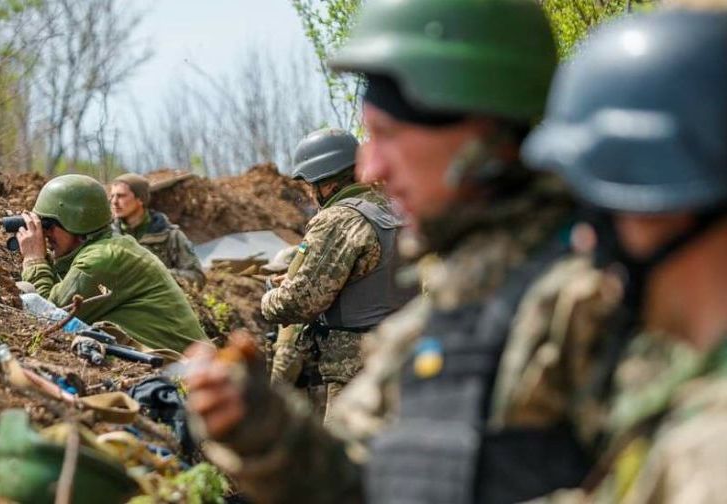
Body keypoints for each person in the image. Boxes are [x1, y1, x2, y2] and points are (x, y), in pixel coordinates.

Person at [184, 0, 617, 502]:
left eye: (389, 135)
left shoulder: (598, 298)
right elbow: (354, 481)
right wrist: (260, 427)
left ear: (481, 130)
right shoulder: (444, 310)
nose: (370, 170)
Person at [522, 9, 727, 502]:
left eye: (598, 212)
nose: (586, 242)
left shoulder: (711, 452)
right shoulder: (692, 388)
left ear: (665, 207)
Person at [262, 127, 412, 425]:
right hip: (402, 356)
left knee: (344, 462)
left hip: (354, 371)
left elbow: (301, 302)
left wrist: (269, 296)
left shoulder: (338, 219)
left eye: (310, 185)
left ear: (324, 183)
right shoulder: (393, 207)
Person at [17, 174, 209, 353]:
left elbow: (49, 316)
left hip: (184, 371)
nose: (44, 234)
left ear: (76, 223)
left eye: (48, 226)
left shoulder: (102, 258)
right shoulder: (108, 245)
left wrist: (34, 260)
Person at [109, 173, 206, 287]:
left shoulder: (171, 236)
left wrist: (158, 275)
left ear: (140, 199)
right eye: (112, 196)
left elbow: (197, 277)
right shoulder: (108, 236)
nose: (114, 202)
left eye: (121, 196)